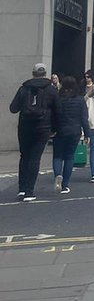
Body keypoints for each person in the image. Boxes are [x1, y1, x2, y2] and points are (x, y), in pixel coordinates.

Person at [9, 63, 60, 202]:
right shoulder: (51, 90)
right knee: (35, 158)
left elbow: (13, 108)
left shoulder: (24, 89)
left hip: (25, 127)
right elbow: (57, 111)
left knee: (24, 156)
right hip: (42, 128)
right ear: (45, 74)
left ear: (33, 73)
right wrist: (54, 129)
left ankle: (22, 188)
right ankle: (29, 192)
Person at [52, 76, 89, 193]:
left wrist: (52, 130)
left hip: (60, 130)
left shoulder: (58, 98)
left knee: (57, 156)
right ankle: (65, 185)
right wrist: (87, 134)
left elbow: (54, 116)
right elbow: (84, 118)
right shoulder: (80, 99)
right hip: (74, 131)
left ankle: (58, 174)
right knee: (69, 156)